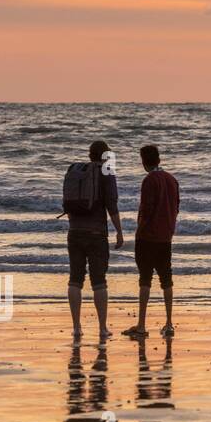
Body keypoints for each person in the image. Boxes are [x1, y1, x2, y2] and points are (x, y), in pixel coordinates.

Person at [66, 139, 124, 340]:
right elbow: (112, 205)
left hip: (74, 232)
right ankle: (101, 328)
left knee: (75, 279)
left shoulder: (78, 172)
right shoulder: (106, 172)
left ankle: (76, 327)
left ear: (90, 155)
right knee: (99, 281)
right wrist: (119, 231)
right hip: (96, 234)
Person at [123, 144, 180, 339]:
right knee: (166, 279)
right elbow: (176, 207)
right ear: (159, 159)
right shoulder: (172, 180)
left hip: (148, 237)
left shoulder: (149, 181)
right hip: (165, 237)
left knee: (145, 279)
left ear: (144, 161)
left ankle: (141, 325)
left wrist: (139, 230)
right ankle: (169, 323)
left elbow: (146, 210)